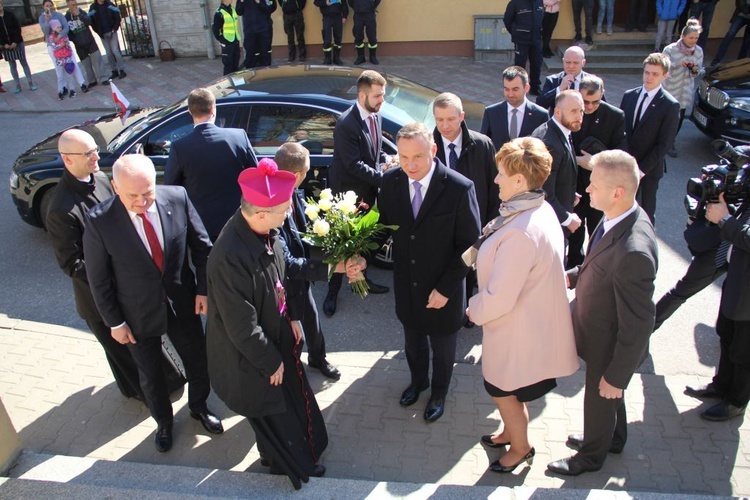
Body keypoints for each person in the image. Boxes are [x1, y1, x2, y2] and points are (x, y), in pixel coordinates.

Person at [83, 155, 223, 453]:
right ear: (116, 188)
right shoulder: (100, 222)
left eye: (148, 193)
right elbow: (99, 280)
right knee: (151, 374)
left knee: (198, 360)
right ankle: (163, 422)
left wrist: (203, 290)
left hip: (181, 302)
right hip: (135, 313)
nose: (142, 202)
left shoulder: (178, 197)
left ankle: (199, 407)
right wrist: (115, 323)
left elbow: (203, 248)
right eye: (132, 195)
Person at [205, 161, 329, 490]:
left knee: (285, 408)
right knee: (276, 415)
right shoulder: (229, 256)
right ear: (261, 213)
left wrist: (293, 316)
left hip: (274, 338)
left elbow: (283, 273)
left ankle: (276, 456)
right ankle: (292, 464)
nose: (288, 215)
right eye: (284, 210)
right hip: (252, 358)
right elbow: (241, 325)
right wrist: (271, 360)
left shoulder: (264, 231)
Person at [466, 137, 578, 473]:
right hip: (527, 322)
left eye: (500, 174)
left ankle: (521, 447)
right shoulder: (538, 206)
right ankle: (508, 432)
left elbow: (500, 297)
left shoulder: (519, 232)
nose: (495, 179)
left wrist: (472, 309)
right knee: (510, 391)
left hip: (516, 329)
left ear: (519, 180)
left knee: (503, 391)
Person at [547, 149, 659, 476]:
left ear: (618, 192)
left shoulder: (634, 252)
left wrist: (617, 374)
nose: (587, 190)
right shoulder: (616, 217)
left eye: (594, 185)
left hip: (609, 347)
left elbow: (639, 325)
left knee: (601, 395)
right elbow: (599, 262)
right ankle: (614, 437)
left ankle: (590, 458)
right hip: (597, 332)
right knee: (608, 399)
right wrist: (573, 276)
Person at [379, 122, 481, 423]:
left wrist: (447, 288)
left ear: (433, 150)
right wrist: (357, 252)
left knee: (443, 347)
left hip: (444, 288)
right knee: (413, 343)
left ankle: (439, 393)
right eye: (404, 157)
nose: (410, 165)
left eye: (418, 157)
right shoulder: (390, 182)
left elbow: (471, 246)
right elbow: (382, 228)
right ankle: (418, 382)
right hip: (407, 286)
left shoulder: (459, 187)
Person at [45, 130, 146, 400]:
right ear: (68, 160)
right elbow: (71, 263)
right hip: (100, 300)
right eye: (88, 153)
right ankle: (141, 396)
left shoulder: (101, 178)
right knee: (123, 357)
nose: (96, 157)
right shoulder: (61, 209)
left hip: (127, 288)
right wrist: (113, 273)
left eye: (95, 150)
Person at [276, 143, 349, 380]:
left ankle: (318, 359)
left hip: (301, 279)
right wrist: (331, 268)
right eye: (306, 172)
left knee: (313, 321)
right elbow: (286, 262)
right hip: (282, 285)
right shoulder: (273, 205)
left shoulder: (294, 191)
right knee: (293, 335)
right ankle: (290, 374)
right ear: (297, 175)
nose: (307, 176)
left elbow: (303, 230)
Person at [323, 69, 389, 317]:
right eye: (378, 96)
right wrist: (384, 178)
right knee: (341, 246)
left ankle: (362, 280)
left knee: (362, 241)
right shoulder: (346, 124)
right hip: (347, 197)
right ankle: (332, 291)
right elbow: (353, 164)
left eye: (382, 95)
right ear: (362, 96)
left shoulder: (375, 115)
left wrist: (387, 161)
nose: (382, 101)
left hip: (367, 193)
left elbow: (375, 151)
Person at [432, 92, 498, 328]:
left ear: (461, 116)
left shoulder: (482, 145)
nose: (445, 126)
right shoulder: (430, 146)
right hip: (440, 224)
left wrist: (490, 223)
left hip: (473, 222)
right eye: (439, 120)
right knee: (445, 267)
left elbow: (494, 186)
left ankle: (467, 310)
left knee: (469, 267)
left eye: (450, 119)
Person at [686, 191, 750, 421]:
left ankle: (736, 402)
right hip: (737, 279)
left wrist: (725, 220)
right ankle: (721, 386)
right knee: (727, 334)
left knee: (744, 350)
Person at [164, 88, 258, 242]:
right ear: (213, 108)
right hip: (239, 223)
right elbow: (255, 177)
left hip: (201, 229)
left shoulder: (180, 147)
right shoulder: (239, 137)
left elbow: (170, 189)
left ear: (190, 111)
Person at [568, 75, 627, 269]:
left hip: (601, 187)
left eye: (596, 102)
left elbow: (620, 154)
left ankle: (596, 265)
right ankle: (574, 265)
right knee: (575, 233)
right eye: (585, 102)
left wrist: (594, 163)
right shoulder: (571, 113)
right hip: (575, 184)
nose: (590, 107)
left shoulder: (615, 116)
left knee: (598, 230)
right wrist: (577, 162)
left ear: (603, 95)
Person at [620, 52, 680, 225]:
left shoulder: (670, 105)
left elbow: (664, 143)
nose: (649, 77)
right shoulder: (629, 96)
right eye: (647, 72)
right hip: (626, 165)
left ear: (665, 76)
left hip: (649, 168)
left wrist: (640, 170)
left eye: (655, 74)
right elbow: (622, 131)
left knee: (645, 211)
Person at [532, 90, 584, 254]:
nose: (579, 116)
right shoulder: (549, 142)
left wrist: (569, 192)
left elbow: (558, 174)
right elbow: (543, 193)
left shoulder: (563, 130)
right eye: (573, 111)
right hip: (551, 225)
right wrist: (567, 219)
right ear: (557, 111)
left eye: (581, 111)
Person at [481, 66, 548, 151]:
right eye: (507, 89)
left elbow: (544, 149)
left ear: (526, 88)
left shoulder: (540, 115)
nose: (510, 94)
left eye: (515, 89)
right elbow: (484, 145)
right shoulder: (491, 113)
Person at [663, 18, 704, 157]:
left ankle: (671, 142)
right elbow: (663, 68)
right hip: (670, 89)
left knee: (678, 119)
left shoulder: (698, 51)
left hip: (685, 91)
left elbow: (698, 72)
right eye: (691, 37)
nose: (693, 40)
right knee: (665, 117)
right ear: (683, 36)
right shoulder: (670, 49)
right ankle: (661, 140)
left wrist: (694, 69)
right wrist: (677, 64)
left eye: (696, 38)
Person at [65, 0, 109, 88]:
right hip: (79, 44)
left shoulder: (82, 12)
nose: (75, 4)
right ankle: (92, 80)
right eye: (72, 3)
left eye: (75, 2)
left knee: (97, 59)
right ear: (68, 4)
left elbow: (89, 22)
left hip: (90, 41)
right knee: (86, 63)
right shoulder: (66, 17)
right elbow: (67, 32)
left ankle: (103, 78)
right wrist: (75, 40)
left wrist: (79, 15)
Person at [504, 0, 544, 94]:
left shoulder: (539, 2)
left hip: (536, 40)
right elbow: (507, 20)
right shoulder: (515, 3)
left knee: (536, 64)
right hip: (521, 40)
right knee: (519, 66)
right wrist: (516, 33)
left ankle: (535, 87)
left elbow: (541, 18)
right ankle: (517, 87)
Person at [536, 46, 590, 111]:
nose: (571, 66)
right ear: (563, 61)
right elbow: (539, 104)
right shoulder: (553, 80)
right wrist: (559, 89)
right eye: (568, 62)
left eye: (575, 63)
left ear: (583, 63)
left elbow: (602, 107)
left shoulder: (591, 81)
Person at [0, 0, 37, 93]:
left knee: (23, 62)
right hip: (6, 46)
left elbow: (17, 27)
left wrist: (15, 41)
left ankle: (30, 83)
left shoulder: (10, 14)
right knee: (12, 65)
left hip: (17, 43)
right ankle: (17, 85)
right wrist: (4, 44)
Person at [48, 19, 87, 100]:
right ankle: (60, 91)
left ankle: (72, 90)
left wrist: (66, 45)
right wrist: (61, 45)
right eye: (58, 27)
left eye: (60, 27)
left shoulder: (64, 35)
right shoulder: (51, 37)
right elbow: (53, 47)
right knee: (60, 76)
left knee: (70, 74)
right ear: (53, 28)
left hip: (67, 57)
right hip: (59, 59)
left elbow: (68, 45)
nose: (60, 29)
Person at [89, 0, 126, 80]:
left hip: (112, 31)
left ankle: (122, 69)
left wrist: (115, 28)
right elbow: (91, 22)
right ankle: (114, 70)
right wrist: (98, 32)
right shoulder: (93, 7)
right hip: (103, 34)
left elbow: (117, 17)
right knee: (108, 53)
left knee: (115, 51)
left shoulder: (110, 4)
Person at [39, 0, 69, 94]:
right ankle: (62, 88)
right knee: (58, 67)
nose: (49, 7)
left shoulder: (59, 15)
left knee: (70, 64)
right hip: (52, 45)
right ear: (43, 7)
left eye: (50, 5)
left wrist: (59, 37)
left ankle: (79, 84)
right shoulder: (42, 18)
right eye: (47, 6)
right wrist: (47, 20)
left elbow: (66, 27)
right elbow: (46, 32)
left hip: (63, 42)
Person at [237, 0, 277, 68]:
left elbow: (269, 9)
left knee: (264, 54)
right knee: (250, 54)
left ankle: (265, 73)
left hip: (263, 30)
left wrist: (259, 2)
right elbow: (239, 12)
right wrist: (241, 2)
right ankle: (251, 74)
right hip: (249, 31)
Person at [710, 0, 750, 66]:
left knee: (747, 42)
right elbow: (740, 3)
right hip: (741, 15)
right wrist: (747, 10)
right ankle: (717, 59)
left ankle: (740, 62)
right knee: (730, 35)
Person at [212, 0, 242, 75]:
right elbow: (216, 29)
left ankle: (236, 83)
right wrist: (222, 40)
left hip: (235, 41)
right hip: (227, 42)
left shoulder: (232, 9)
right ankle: (228, 83)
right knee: (228, 65)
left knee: (235, 63)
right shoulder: (219, 12)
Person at [315, 0, 348, 65]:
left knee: (338, 38)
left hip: (338, 17)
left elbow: (344, 3)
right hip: (327, 17)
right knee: (327, 39)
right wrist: (325, 3)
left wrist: (345, 16)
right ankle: (327, 59)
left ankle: (336, 58)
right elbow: (316, 2)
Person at [349, 0, 380, 65]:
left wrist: (372, 6)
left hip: (370, 13)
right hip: (358, 14)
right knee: (358, 36)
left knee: (372, 36)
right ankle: (360, 57)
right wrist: (356, 7)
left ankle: (372, 57)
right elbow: (350, 2)